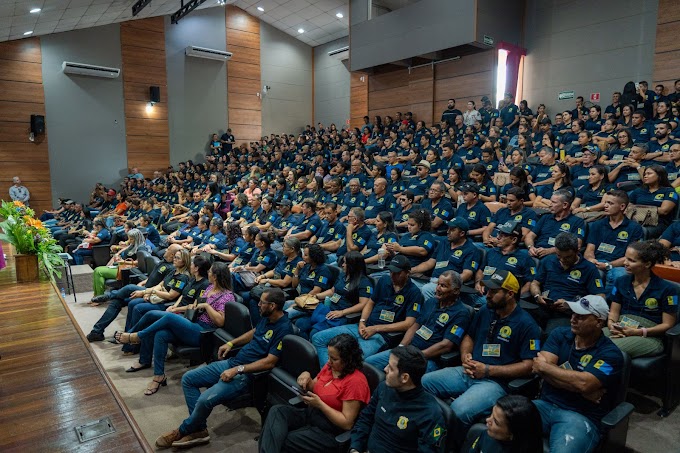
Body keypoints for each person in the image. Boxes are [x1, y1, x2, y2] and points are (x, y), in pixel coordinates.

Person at [155, 287, 293, 449]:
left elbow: (270, 362)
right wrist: (231, 343)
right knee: (188, 379)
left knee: (204, 400)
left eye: (262, 302)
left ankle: (183, 429)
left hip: (246, 375)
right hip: (233, 362)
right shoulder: (266, 318)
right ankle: (200, 430)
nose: (258, 305)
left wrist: (237, 370)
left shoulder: (284, 329)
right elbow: (254, 332)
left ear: (273, 306)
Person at [421, 270, 541, 447]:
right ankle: (426, 433)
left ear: (509, 294)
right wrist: (465, 356)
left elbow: (529, 365)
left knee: (458, 410)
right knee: (425, 382)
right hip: (468, 370)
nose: (487, 294)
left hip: (494, 382)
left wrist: (488, 370)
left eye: (494, 291)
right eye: (488, 289)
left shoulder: (527, 324)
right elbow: (469, 336)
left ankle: (448, 447)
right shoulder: (486, 310)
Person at [117, 261, 231, 394]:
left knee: (168, 317)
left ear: (216, 276)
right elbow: (195, 304)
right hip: (191, 321)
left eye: (210, 272)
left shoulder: (227, 296)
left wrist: (206, 306)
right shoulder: (209, 288)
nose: (208, 273)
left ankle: (137, 336)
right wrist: (189, 307)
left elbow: (220, 322)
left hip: (203, 332)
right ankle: (159, 376)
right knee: (160, 333)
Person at [532, 295, 624, 453]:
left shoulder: (611, 355)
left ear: (599, 322)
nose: (573, 319)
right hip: (544, 405)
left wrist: (546, 368)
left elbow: (584, 383)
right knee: (500, 422)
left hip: (580, 416)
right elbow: (538, 369)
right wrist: (581, 389)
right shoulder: (560, 334)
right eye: (573, 313)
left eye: (581, 317)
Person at [258, 333, 371, 453]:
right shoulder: (330, 367)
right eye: (329, 357)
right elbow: (314, 386)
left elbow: (347, 423)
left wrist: (321, 405)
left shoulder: (355, 382)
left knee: (282, 439)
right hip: (312, 414)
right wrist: (306, 376)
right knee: (277, 412)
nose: (329, 361)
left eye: (334, 359)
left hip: (329, 431)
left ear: (348, 359)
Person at [312, 255, 423, 367]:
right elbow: (370, 302)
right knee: (318, 338)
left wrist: (376, 328)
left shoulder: (414, 293)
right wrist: (362, 321)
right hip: (363, 327)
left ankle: (333, 379)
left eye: (397, 273)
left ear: (407, 272)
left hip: (381, 336)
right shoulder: (384, 280)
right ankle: (326, 375)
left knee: (350, 359)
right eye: (391, 272)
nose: (393, 275)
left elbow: (409, 323)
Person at [365, 270, 472, 372]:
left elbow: (446, 345)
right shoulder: (431, 302)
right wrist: (401, 348)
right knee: (368, 364)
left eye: (443, 286)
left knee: (397, 373)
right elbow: (415, 325)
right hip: (409, 351)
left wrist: (416, 356)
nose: (437, 289)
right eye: (438, 284)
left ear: (456, 290)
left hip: (428, 359)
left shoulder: (461, 313)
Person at [349, 346, 449, 453]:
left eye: (391, 368)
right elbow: (365, 418)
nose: (385, 369)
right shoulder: (384, 388)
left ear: (405, 378)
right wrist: (355, 447)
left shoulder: (431, 414)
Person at [85, 245, 180, 342]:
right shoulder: (162, 261)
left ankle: (110, 295)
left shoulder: (172, 268)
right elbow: (152, 277)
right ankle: (97, 332)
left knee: (128, 289)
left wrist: (145, 291)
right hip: (144, 288)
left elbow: (163, 287)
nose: (165, 250)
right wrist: (142, 282)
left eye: (168, 249)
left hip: (150, 293)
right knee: (116, 302)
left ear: (172, 254)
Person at [606, 241, 678, 358]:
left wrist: (638, 332)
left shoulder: (667, 289)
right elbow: (614, 312)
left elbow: (668, 324)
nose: (625, 263)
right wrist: (611, 325)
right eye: (626, 258)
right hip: (621, 327)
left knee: (607, 348)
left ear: (647, 264)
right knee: (587, 338)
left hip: (649, 335)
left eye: (631, 260)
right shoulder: (621, 281)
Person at [530, 232, 604, 332]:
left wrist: (571, 305)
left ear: (577, 251)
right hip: (543, 307)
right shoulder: (548, 261)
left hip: (567, 314)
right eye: (559, 255)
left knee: (552, 335)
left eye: (567, 257)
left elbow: (600, 297)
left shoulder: (589, 268)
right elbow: (535, 283)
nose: (562, 260)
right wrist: (537, 296)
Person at [584, 190, 644, 297]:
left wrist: (608, 265)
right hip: (598, 262)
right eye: (606, 202)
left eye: (610, 203)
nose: (605, 206)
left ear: (622, 207)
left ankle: (611, 305)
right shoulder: (597, 225)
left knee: (621, 275)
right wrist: (591, 260)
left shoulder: (634, 228)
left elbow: (630, 257)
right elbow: (589, 250)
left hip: (620, 265)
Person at [467, 395, 543, 453]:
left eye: (496, 422)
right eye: (491, 414)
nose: (487, 420)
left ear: (512, 434)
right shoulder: (487, 435)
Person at [525, 189, 586, 258]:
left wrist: (550, 251)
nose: (550, 205)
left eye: (554, 202)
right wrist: (531, 247)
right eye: (550, 201)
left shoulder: (578, 222)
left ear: (565, 205)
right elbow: (530, 236)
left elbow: (577, 244)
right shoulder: (545, 217)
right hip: (537, 251)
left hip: (558, 256)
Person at [90, 228, 149, 299]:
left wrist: (123, 261)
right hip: (122, 266)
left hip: (129, 270)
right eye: (129, 239)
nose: (129, 241)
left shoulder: (141, 248)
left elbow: (138, 263)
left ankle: (99, 296)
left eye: (131, 239)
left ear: (137, 238)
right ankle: (97, 295)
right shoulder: (132, 245)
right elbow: (125, 250)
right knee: (97, 271)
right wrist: (118, 256)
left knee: (99, 271)